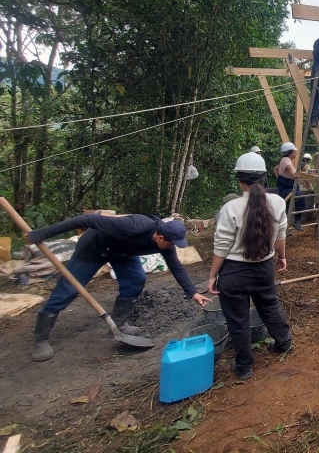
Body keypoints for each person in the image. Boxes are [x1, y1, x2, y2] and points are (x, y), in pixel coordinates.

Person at [24, 213, 210, 362]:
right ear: (161, 237)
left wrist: (192, 292)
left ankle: (119, 324)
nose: (172, 247)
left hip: (123, 253)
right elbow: (86, 219)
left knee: (135, 280)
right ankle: (40, 340)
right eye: (171, 243)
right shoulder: (134, 226)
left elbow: (176, 266)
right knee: (68, 290)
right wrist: (43, 234)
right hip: (93, 248)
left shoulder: (165, 244)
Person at [208, 152, 293, 380]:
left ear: (239, 180)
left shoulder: (230, 208)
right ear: (265, 177)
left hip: (234, 273)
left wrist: (212, 275)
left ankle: (244, 366)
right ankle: (284, 342)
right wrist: (281, 257)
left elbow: (222, 246)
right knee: (269, 304)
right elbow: (281, 235)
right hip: (265, 267)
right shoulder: (277, 202)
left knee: (238, 318)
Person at [273, 142, 303, 231]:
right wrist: (294, 174)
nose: (295, 153)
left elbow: (275, 169)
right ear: (290, 152)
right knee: (300, 198)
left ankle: (284, 229)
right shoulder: (286, 160)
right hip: (286, 187)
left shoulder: (284, 159)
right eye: (294, 151)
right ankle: (297, 221)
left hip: (284, 186)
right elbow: (290, 168)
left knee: (286, 207)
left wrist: (278, 177)